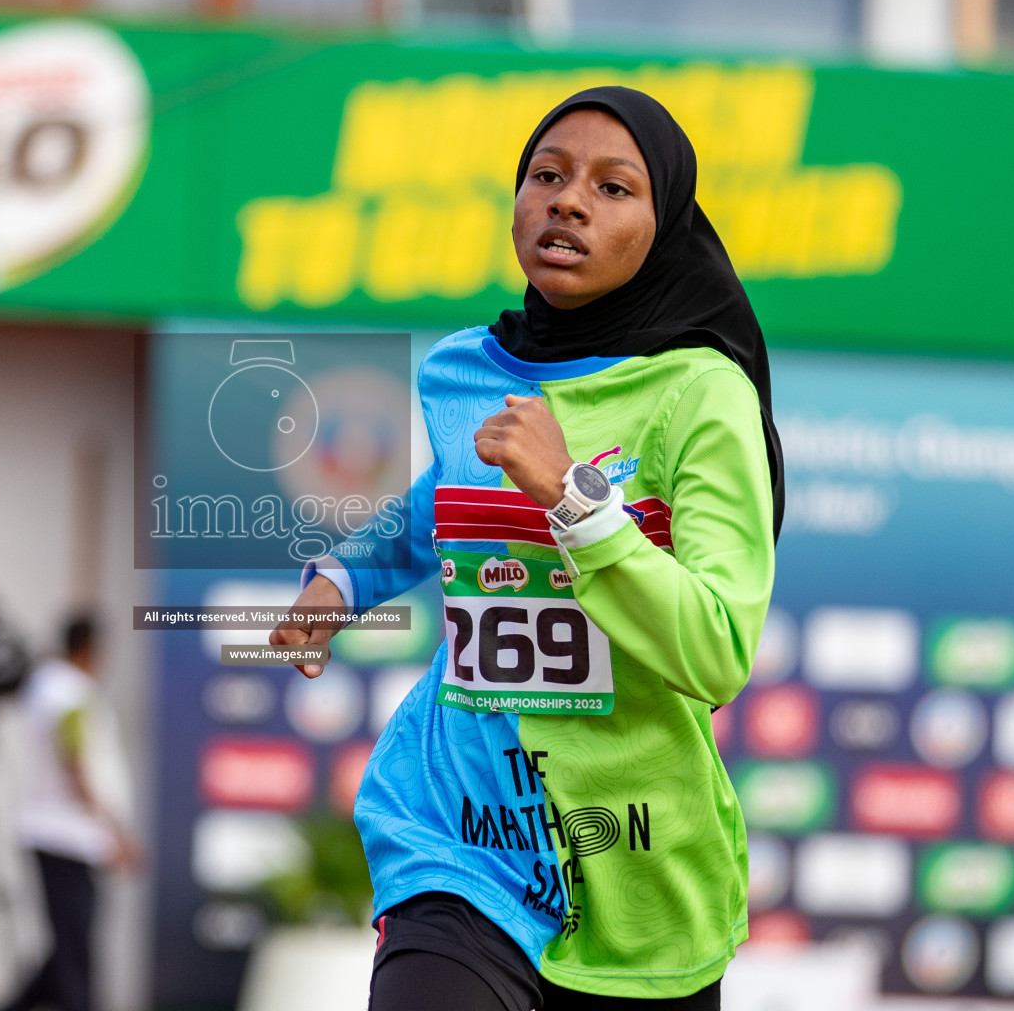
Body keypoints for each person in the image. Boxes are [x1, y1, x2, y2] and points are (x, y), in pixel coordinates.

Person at [270, 86, 781, 1010]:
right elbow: (448, 501)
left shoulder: (702, 397)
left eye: (613, 188)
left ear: (662, 230)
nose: (569, 201)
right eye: (546, 176)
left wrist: (574, 498)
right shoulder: (467, 368)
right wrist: (341, 582)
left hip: (634, 866)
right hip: (457, 833)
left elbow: (716, 647)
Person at [2, 615, 139, 1011]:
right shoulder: (72, 693)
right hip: (70, 835)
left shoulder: (42, 687)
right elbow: (76, 763)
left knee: (69, 939)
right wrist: (115, 833)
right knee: (75, 944)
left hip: (50, 830)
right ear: (89, 650)